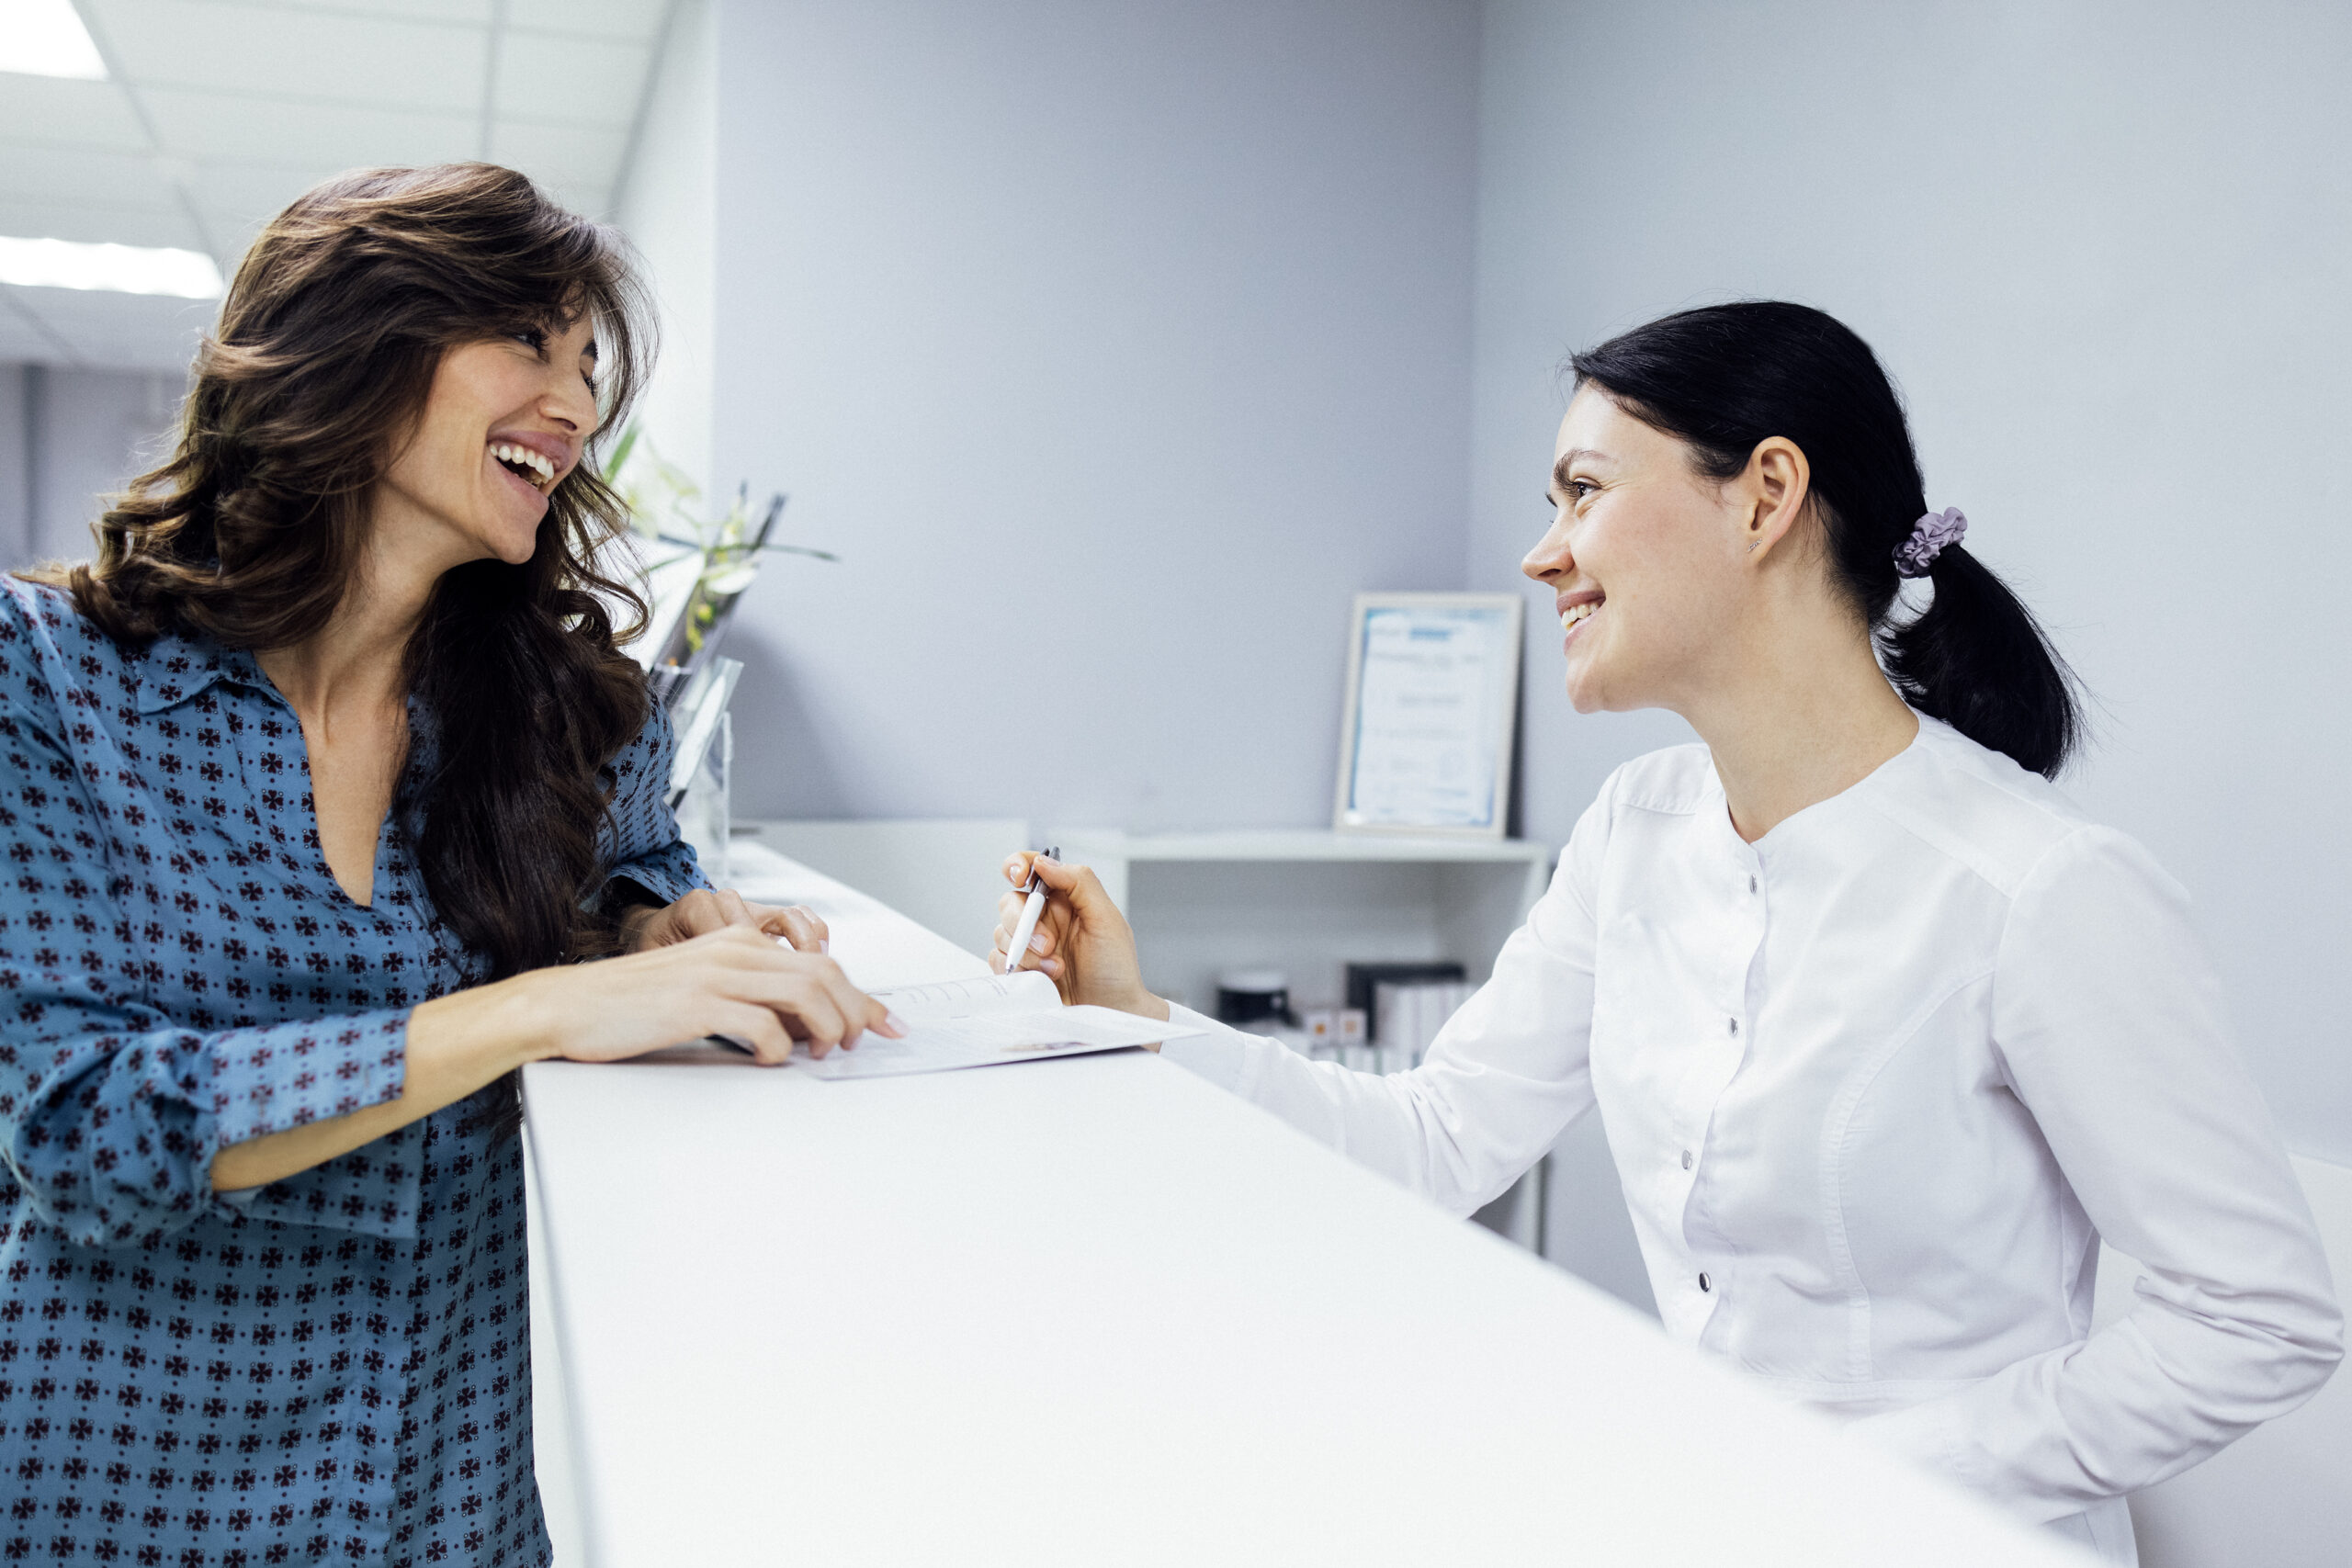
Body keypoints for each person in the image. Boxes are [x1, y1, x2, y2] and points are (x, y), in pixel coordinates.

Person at [992, 301, 2341, 1562]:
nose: (1541, 552)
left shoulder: (2039, 896)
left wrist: (1856, 1476)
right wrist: (1134, 1016)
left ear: (1765, 494)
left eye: (1584, 491)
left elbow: (2262, 1319)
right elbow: (1437, 1137)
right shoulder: (1636, 831)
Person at [0, 164, 897, 1567]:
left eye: (592, 365)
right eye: (532, 342)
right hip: (133, 1487)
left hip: (455, 1485)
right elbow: (78, 1127)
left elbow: (639, 862)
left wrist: (646, 929)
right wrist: (537, 1010)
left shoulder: (566, 712)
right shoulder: (46, 685)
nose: (581, 403)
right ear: (353, 344)